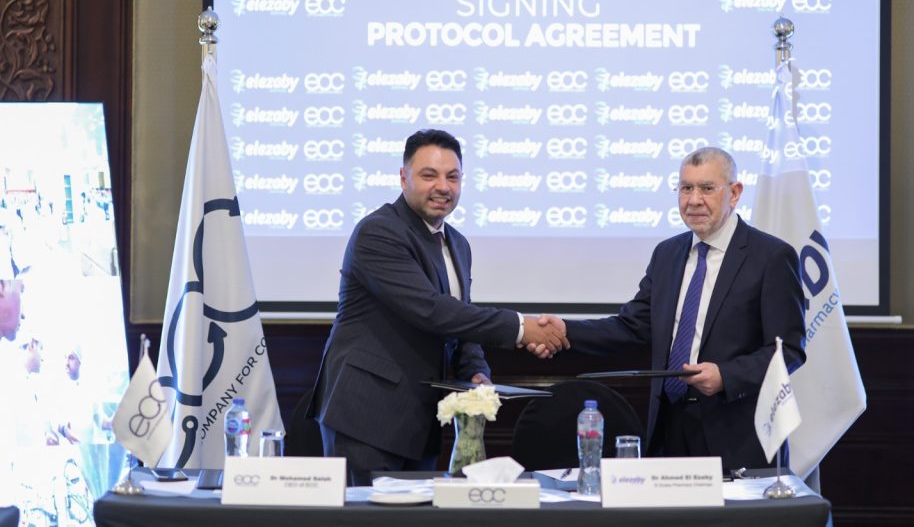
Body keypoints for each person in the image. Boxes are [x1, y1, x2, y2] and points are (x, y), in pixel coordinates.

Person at [309, 129, 569, 484]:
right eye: (429, 175)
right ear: (404, 178)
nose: (443, 187)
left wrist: (476, 371)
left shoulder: (457, 243)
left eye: (453, 177)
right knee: (367, 512)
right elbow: (432, 311)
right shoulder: (379, 232)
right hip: (366, 416)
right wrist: (523, 328)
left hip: (419, 421)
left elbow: (461, 320)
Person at [532, 147, 806, 471]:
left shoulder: (771, 257)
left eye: (707, 188)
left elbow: (788, 350)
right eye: (686, 188)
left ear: (734, 193)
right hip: (668, 427)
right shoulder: (667, 254)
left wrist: (726, 376)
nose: (694, 200)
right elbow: (632, 326)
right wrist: (567, 331)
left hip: (736, 436)